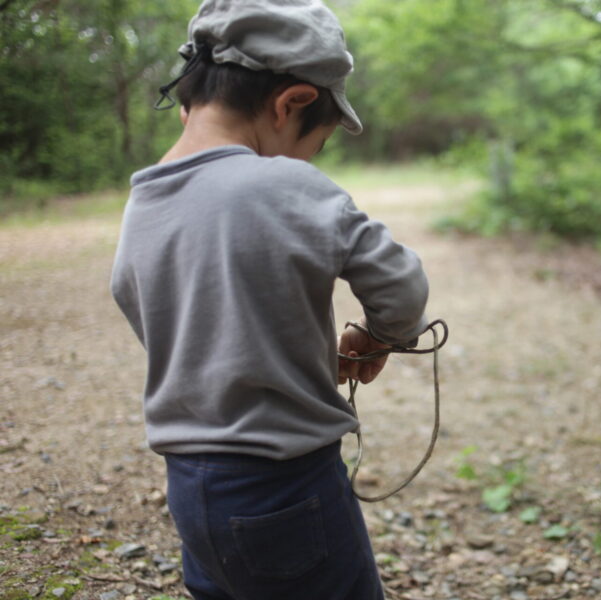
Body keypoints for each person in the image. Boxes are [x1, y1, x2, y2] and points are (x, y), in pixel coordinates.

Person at [109, 2, 429, 599]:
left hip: (189, 484)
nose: (312, 160)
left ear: (189, 103)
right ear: (293, 103)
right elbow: (402, 286)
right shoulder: (288, 183)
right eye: (319, 145)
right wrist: (380, 336)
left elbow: (138, 300)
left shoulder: (143, 200)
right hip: (288, 482)